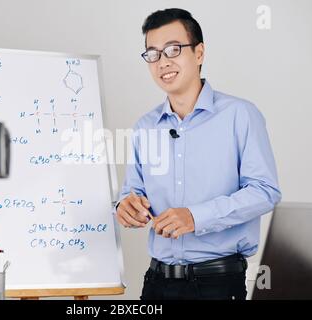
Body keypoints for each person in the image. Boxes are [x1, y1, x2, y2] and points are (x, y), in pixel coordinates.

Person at [115, 8, 281, 300]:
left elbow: (265, 191)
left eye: (173, 50)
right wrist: (126, 206)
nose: (162, 62)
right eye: (153, 53)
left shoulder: (239, 115)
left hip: (217, 283)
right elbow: (133, 191)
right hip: (157, 282)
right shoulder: (145, 127)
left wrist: (196, 217)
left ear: (199, 53)